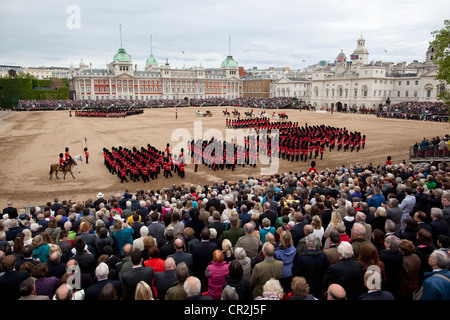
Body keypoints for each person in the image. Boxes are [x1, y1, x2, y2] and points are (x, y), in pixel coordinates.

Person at [379, 234, 403, 299]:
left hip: (386, 283)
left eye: (385, 241)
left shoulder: (382, 255)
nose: (384, 242)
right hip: (396, 282)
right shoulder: (400, 255)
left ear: (388, 245)